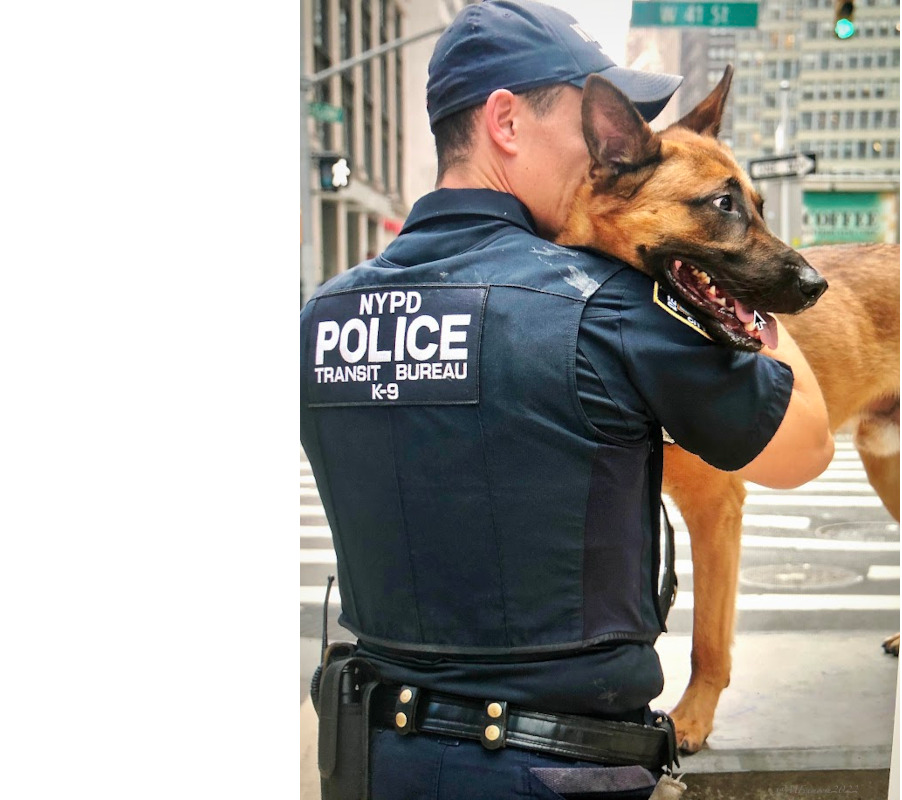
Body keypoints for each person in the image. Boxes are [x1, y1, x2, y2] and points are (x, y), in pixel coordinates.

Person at [299, 1, 835, 797]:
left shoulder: (323, 316)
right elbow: (804, 448)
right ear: (506, 122)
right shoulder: (610, 308)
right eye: (586, 121)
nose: (602, 154)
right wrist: (746, 301)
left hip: (375, 762)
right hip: (558, 769)